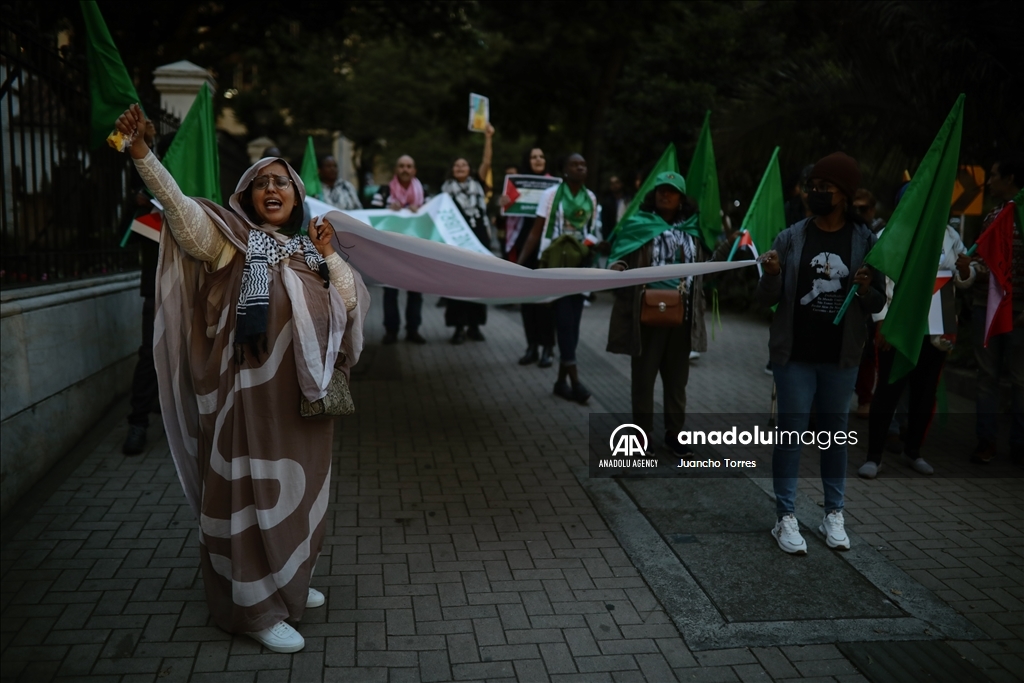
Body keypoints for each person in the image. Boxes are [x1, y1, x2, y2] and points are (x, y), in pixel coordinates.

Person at [114, 104, 368, 654]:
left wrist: (330, 256)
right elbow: (181, 214)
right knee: (250, 498)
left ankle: (290, 578)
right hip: (247, 405)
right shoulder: (230, 243)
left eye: (283, 183)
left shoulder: (310, 251)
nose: (272, 189)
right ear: (247, 197)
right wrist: (142, 155)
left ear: (298, 199)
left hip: (305, 402)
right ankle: (255, 609)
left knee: (301, 496)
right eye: (261, 183)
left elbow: (346, 304)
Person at [756, 152, 885, 555]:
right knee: (791, 434)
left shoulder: (865, 242)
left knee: (834, 436)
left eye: (825, 188)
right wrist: (773, 275)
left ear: (844, 195)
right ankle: (785, 517)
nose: (816, 193)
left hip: (841, 357)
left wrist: (865, 289)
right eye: (813, 187)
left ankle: (834, 512)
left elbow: (878, 302)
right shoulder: (791, 236)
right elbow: (766, 298)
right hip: (794, 355)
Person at [606, 172, 731, 454]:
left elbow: (707, 267)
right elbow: (619, 255)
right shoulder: (638, 224)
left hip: (683, 316)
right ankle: (640, 437)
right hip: (646, 314)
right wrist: (617, 266)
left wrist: (729, 246)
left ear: (681, 198)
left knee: (677, 381)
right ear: (654, 194)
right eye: (662, 190)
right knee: (643, 378)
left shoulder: (693, 229)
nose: (666, 195)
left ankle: (675, 435)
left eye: (672, 191)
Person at [859, 220, 975, 478]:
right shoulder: (892, 232)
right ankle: (874, 457)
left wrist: (967, 271)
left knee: (925, 391)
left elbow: (963, 278)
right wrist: (884, 322)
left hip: (935, 326)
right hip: (898, 324)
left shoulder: (949, 234)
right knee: (888, 389)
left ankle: (913, 451)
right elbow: (879, 279)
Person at [518, 153, 601, 402]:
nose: (581, 167)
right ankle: (575, 383)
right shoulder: (550, 195)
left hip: (580, 265)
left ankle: (560, 382)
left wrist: (593, 245)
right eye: (575, 164)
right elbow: (536, 232)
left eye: (583, 164)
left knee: (573, 325)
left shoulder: (591, 198)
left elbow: (592, 232)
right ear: (564, 170)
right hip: (555, 263)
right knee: (564, 321)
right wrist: (520, 265)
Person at [970, 154, 1024, 465]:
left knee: (1019, 379)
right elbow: (983, 263)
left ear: (1010, 179)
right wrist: (968, 268)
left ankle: (1018, 444)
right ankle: (986, 440)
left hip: (1019, 310)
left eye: (993, 175)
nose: (988, 181)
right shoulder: (992, 218)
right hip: (985, 306)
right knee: (986, 376)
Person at [121, 119, 160, 455]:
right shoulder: (142, 191)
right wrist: (140, 208)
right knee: (149, 354)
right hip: (156, 289)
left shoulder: (188, 191)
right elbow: (126, 236)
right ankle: (138, 422)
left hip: (191, 288)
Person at [502, 147, 555, 367]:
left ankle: (548, 348)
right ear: (527, 161)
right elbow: (503, 220)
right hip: (524, 245)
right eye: (533, 157)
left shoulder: (555, 186)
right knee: (527, 300)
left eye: (542, 156)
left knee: (546, 300)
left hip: (546, 245)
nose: (538, 159)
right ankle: (531, 346)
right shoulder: (516, 185)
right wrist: (503, 204)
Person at [442, 124, 494, 344]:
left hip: (479, 238)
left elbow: (487, 162)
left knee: (478, 282)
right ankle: (458, 327)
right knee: (457, 283)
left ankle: (474, 326)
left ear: (470, 169)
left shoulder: (478, 184)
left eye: (464, 164)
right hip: (457, 240)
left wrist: (488, 137)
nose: (460, 167)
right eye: (457, 165)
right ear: (453, 170)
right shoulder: (446, 190)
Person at [371, 155, 426, 344]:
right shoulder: (384, 192)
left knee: (415, 292)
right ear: (396, 170)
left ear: (414, 170)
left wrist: (420, 210)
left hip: (414, 252)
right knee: (390, 292)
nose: (405, 169)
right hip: (390, 252)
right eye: (401, 166)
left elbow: (431, 219)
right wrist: (387, 210)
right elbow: (370, 216)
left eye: (409, 166)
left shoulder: (423, 194)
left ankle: (413, 330)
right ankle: (391, 331)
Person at [600, 174, 631, 241]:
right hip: (613, 236)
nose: (615, 186)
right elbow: (605, 224)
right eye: (612, 184)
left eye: (617, 182)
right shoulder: (607, 202)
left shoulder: (628, 199)